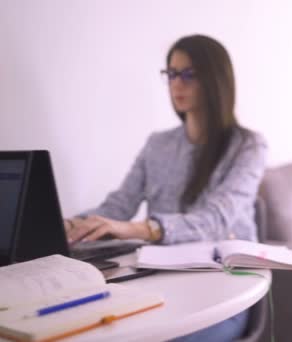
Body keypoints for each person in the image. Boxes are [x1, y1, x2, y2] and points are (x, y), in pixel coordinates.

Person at [64, 34, 267, 342]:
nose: (177, 83)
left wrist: (140, 229)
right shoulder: (157, 145)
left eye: (188, 74)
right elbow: (117, 208)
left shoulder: (248, 146)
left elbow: (215, 220)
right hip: (162, 282)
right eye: (171, 73)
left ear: (215, 80)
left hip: (227, 290)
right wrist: (73, 224)